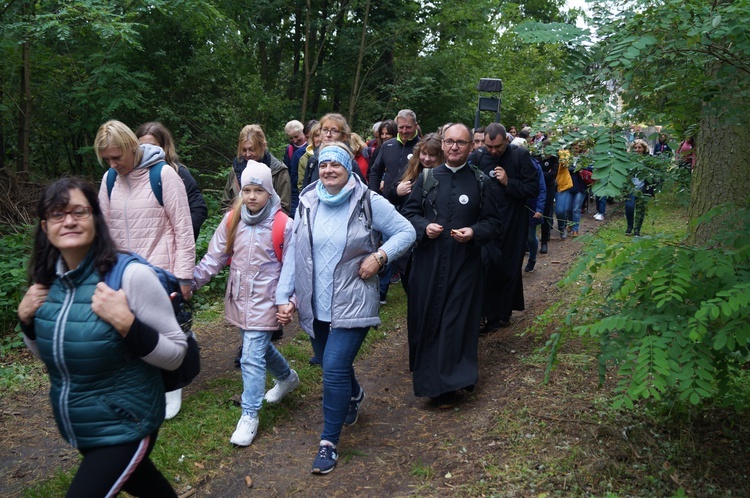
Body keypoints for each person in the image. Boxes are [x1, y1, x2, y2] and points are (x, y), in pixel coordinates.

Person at [18, 178, 186, 497]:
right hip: (84, 426)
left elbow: (176, 353)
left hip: (128, 422)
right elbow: (54, 355)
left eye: (79, 211)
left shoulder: (130, 276)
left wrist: (128, 325)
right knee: (145, 485)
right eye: (57, 213)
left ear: (96, 218)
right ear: (45, 225)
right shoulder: (47, 281)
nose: (68, 220)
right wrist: (27, 323)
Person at [276, 143, 415, 474]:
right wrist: (285, 295)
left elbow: (406, 231)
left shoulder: (367, 201)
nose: (327, 170)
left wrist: (379, 257)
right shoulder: (308, 202)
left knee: (334, 367)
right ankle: (354, 395)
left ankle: (328, 442)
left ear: (348, 168)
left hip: (354, 297)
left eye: (335, 165)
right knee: (328, 363)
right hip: (316, 302)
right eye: (323, 165)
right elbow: (295, 251)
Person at [193, 161, 299, 447]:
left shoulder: (284, 226)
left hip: (268, 300)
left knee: (251, 356)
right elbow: (214, 257)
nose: (251, 196)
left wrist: (289, 300)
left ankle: (249, 414)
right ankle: (288, 378)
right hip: (238, 299)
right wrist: (191, 282)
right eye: (247, 190)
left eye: (258, 190)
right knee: (259, 348)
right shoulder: (232, 220)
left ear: (270, 192)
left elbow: (294, 267)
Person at [95, 119, 195, 420]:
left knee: (165, 329)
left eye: (117, 157)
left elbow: (183, 228)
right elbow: (101, 229)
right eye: (107, 159)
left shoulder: (163, 175)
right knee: (127, 330)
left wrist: (184, 275)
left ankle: (172, 385)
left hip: (161, 269)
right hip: (122, 272)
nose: (114, 164)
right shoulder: (109, 180)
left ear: (130, 147)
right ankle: (137, 386)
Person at [401, 123, 501, 408]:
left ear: (471, 146)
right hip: (429, 263)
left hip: (465, 265)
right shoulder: (428, 177)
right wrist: (424, 226)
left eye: (461, 142)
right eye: (450, 142)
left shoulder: (482, 182)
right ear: (442, 144)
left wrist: (474, 233)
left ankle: (451, 383)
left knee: (455, 322)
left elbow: (494, 223)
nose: (454, 147)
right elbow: (409, 214)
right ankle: (431, 382)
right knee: (428, 318)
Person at [468, 123, 539, 330]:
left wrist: (509, 182)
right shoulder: (479, 156)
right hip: (486, 221)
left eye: (497, 147)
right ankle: (484, 314)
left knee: (508, 266)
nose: (492, 151)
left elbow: (532, 188)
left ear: (506, 141)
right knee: (486, 265)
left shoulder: (520, 156)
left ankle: (502, 313)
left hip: (513, 221)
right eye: (489, 147)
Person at [387, 133, 444, 290]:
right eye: (423, 154)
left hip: (431, 238)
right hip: (409, 238)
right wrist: (397, 191)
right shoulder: (411, 170)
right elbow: (391, 194)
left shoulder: (444, 176)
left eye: (432, 155)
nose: (426, 159)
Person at [135, 122, 208, 240]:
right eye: (142, 146)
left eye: (152, 146)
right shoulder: (131, 174)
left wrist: (180, 236)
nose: (146, 150)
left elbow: (198, 209)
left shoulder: (178, 173)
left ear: (164, 147)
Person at [222, 124, 292, 214]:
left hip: (269, 225)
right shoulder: (236, 169)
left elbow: (284, 208)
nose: (247, 154)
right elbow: (225, 204)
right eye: (244, 150)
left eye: (252, 149)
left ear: (263, 146)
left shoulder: (278, 170)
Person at [300, 113, 365, 188]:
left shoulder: (350, 162)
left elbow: (361, 191)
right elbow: (306, 190)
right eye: (325, 130)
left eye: (334, 131)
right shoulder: (313, 161)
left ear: (344, 136)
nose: (328, 134)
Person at [367, 110, 421, 195]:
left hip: (412, 202)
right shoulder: (387, 146)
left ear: (415, 126)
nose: (404, 131)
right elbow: (375, 172)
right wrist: (374, 194)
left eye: (408, 127)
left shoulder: (422, 147)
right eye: (401, 127)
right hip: (388, 201)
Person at [625, 139, 653, 236]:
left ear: (644, 148)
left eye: (639, 147)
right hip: (631, 188)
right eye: (635, 147)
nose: (637, 149)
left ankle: (637, 230)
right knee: (629, 206)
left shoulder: (648, 160)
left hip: (643, 188)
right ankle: (629, 226)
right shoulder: (628, 160)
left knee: (640, 209)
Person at [525, 156, 547, 272]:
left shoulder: (535, 166)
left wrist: (539, 209)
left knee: (530, 236)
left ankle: (532, 258)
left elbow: (542, 189)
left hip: (531, 207)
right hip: (516, 208)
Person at [537, 142, 558, 252]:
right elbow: (534, 172)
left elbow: (553, 174)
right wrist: (544, 174)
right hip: (537, 187)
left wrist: (540, 174)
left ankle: (544, 241)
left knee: (545, 213)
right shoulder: (538, 157)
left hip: (549, 188)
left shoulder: (555, 159)